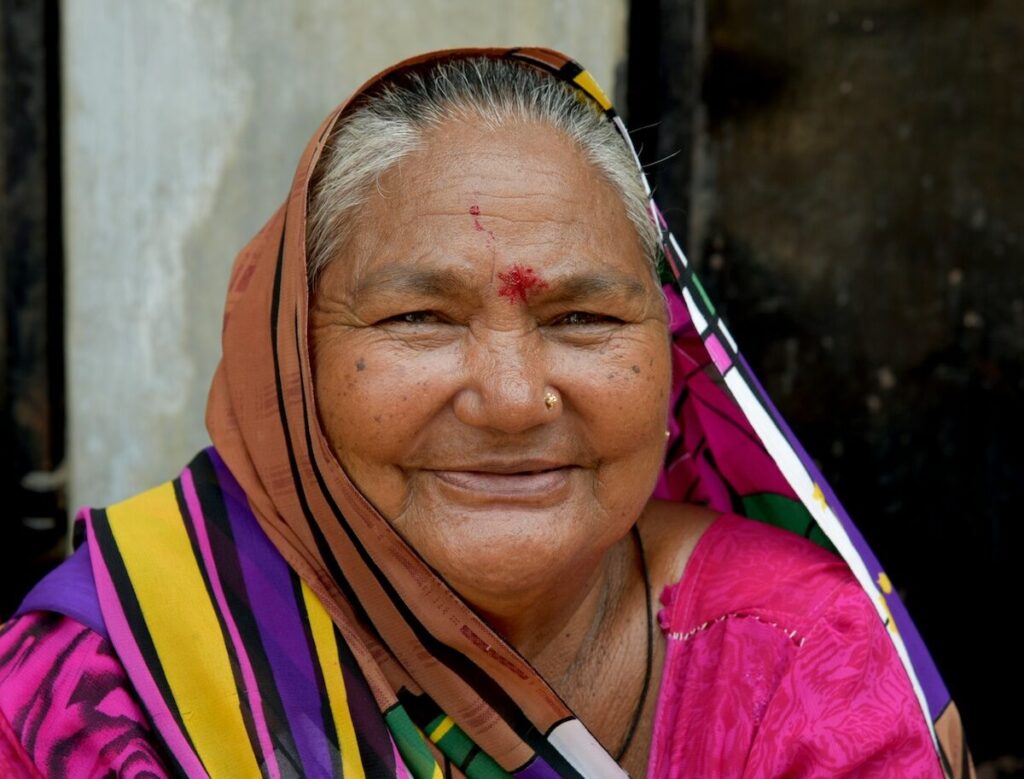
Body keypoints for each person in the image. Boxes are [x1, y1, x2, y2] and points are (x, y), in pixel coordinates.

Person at [0, 48, 972, 778]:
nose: (511, 400)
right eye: (419, 316)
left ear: (672, 362)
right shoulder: (114, 678)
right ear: (295, 369)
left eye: (583, 316)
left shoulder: (802, 658)